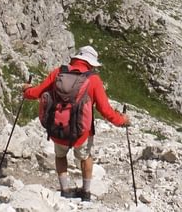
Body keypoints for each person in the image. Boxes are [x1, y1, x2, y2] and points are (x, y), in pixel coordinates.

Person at [23, 45, 130, 201]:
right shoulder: (93, 80)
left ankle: (65, 190)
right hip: (82, 133)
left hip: (58, 129)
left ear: (75, 58)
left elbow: (36, 93)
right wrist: (123, 121)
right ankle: (85, 193)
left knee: (60, 156)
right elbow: (106, 111)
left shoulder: (58, 73)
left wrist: (26, 90)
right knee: (85, 157)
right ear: (90, 63)